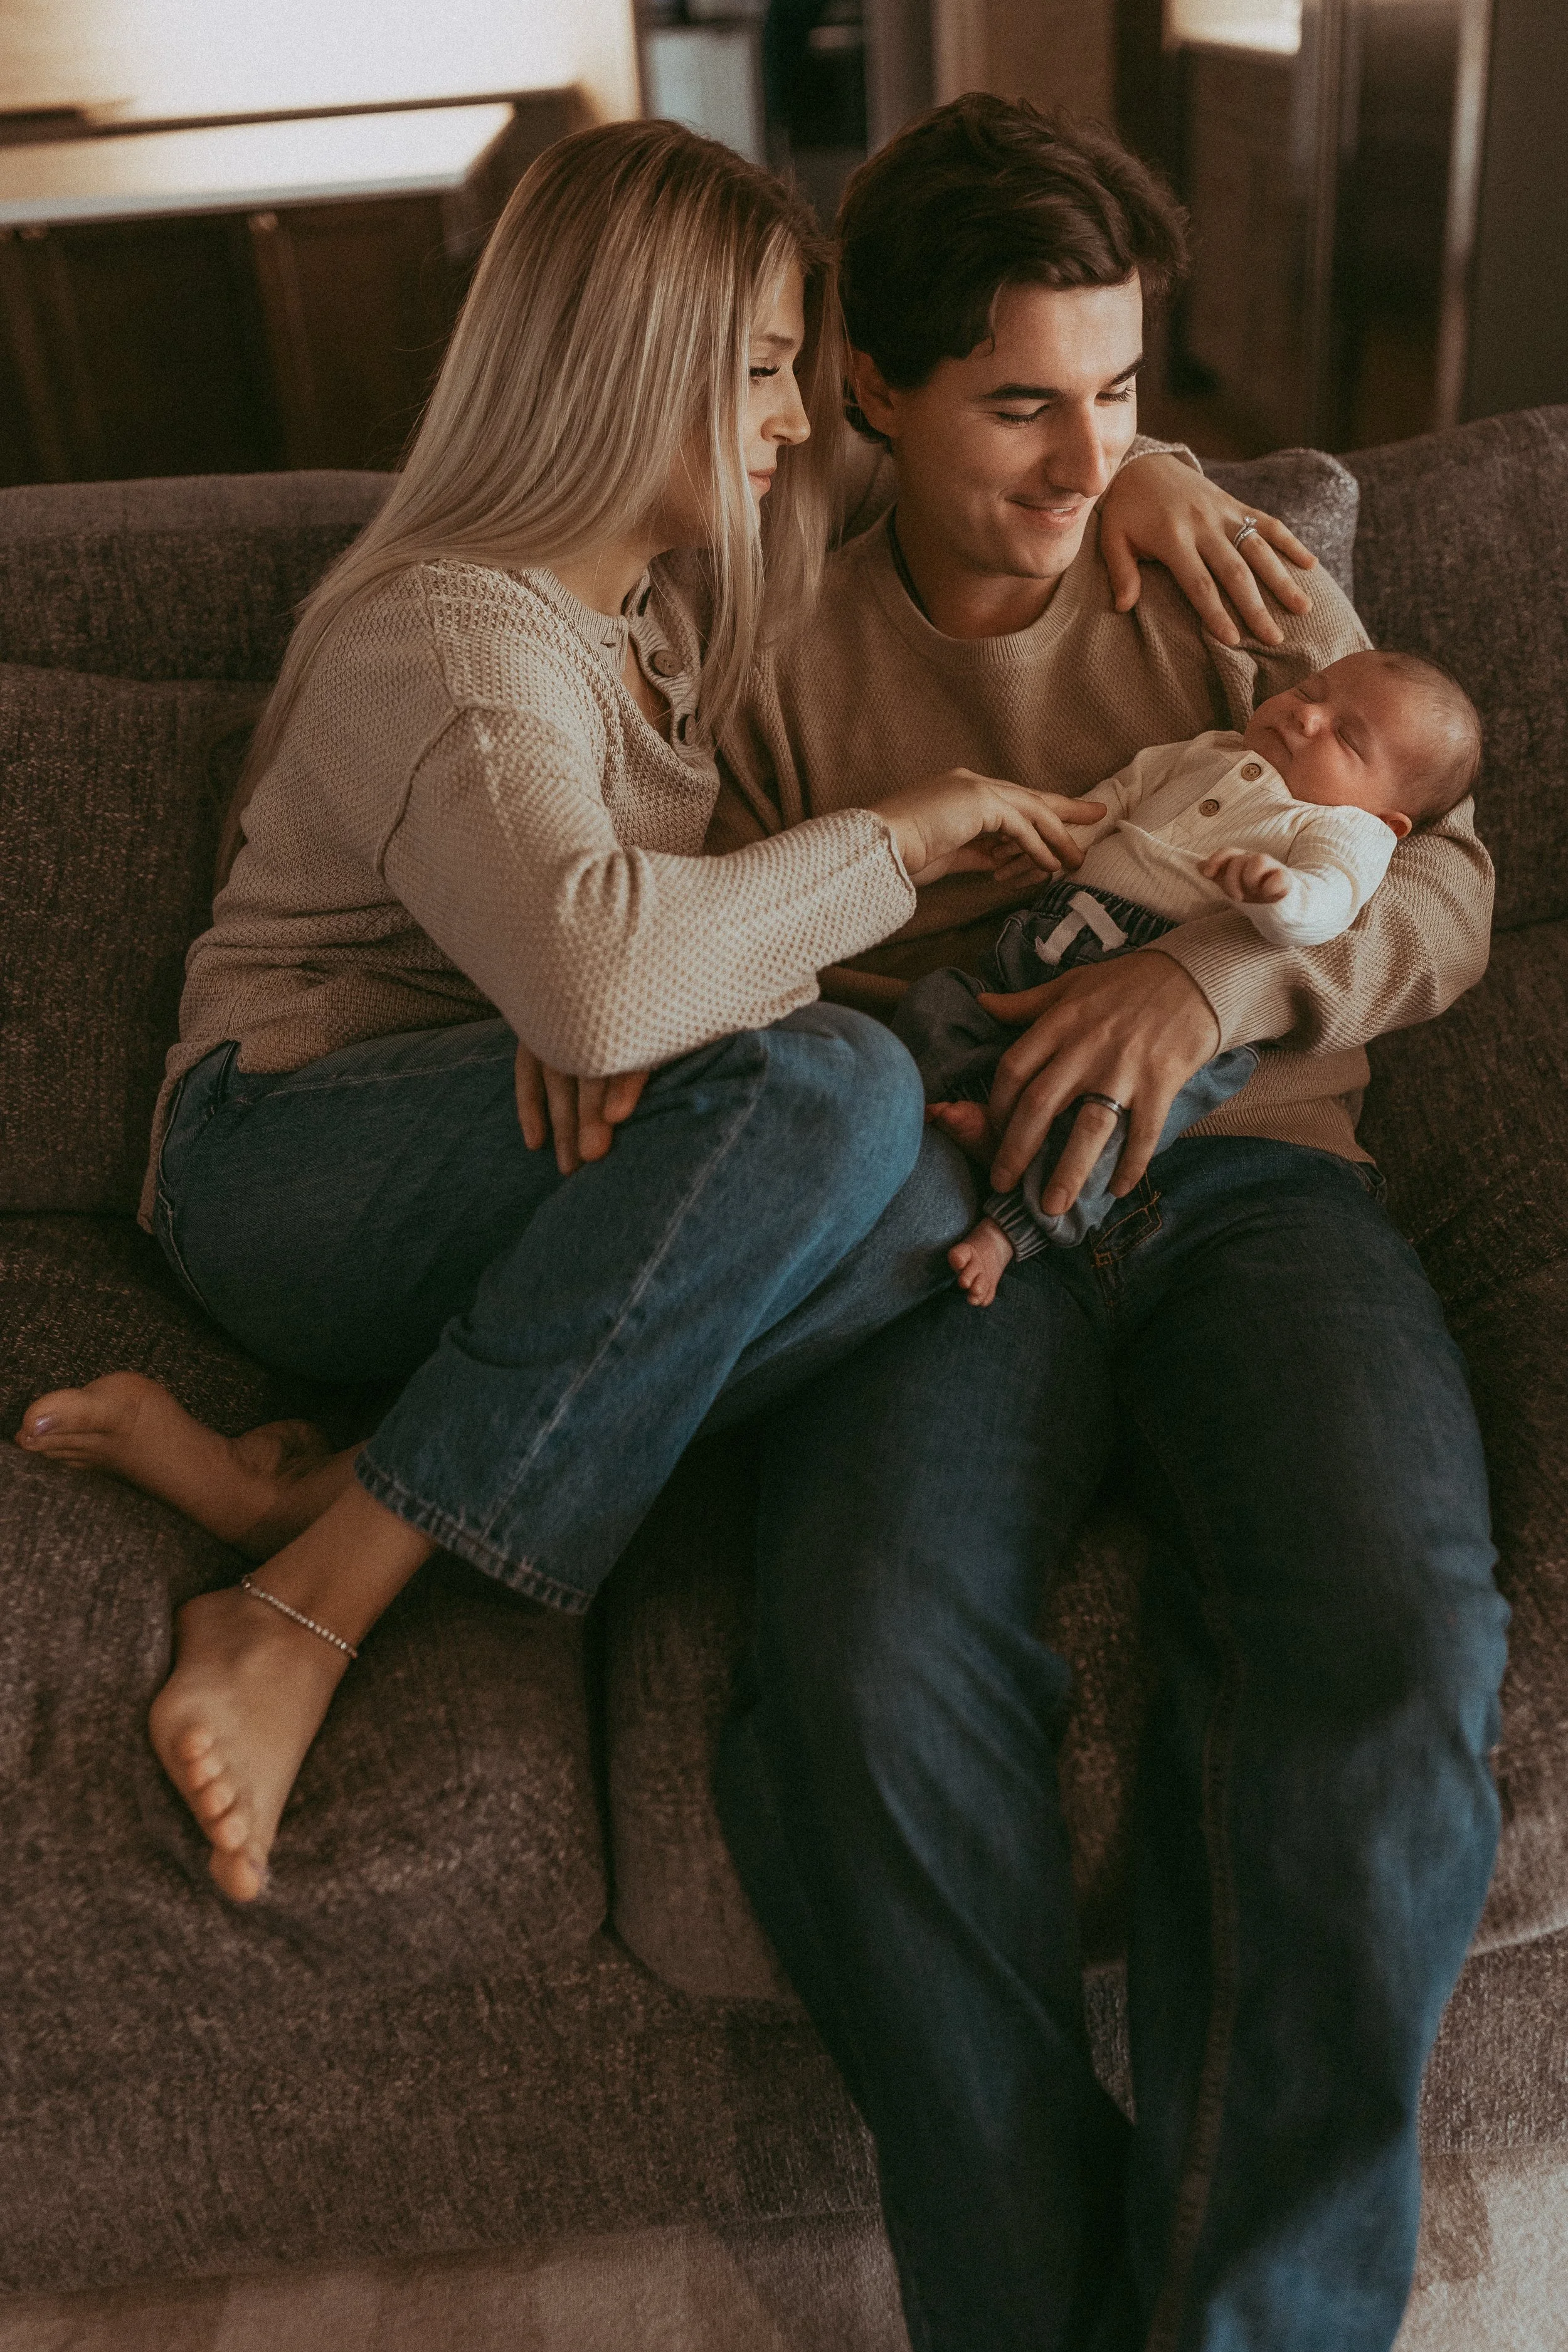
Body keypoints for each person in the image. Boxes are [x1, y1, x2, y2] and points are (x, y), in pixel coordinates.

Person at [12, 115, 1273, 1910]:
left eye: (789, 373)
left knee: (926, 1186)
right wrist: (898, 834)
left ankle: (360, 1480)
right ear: (629, 373)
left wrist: (1143, 475)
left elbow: (967, 450)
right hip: (294, 1156)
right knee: (844, 1085)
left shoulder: (673, 572)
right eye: (758, 373)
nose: (789, 421)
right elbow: (603, 981)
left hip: (530, 1130)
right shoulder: (457, 638)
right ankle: (305, 1605)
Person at [709, 97, 1509, 2352]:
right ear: (871, 384)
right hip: (940, 1198)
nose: (1089, 466)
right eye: (1024, 403)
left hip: (1261, 1179)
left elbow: (1441, 878)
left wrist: (1214, 971)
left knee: (1390, 1640)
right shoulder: (763, 630)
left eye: (1129, 392)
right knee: (853, 1681)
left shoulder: (1226, 564)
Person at [899, 649, 1484, 1298]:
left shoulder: (1349, 829)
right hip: (1054, 936)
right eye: (1308, 691)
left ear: (1387, 819)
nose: (1306, 716)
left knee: (1115, 1110)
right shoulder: (1208, 748)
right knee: (942, 1001)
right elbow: (1117, 797)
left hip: (1181, 1007)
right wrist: (1055, 835)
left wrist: (1282, 894)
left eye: (1346, 738)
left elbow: (1331, 898)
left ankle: (1017, 1228)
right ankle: (972, 1113)